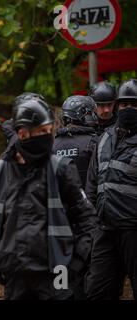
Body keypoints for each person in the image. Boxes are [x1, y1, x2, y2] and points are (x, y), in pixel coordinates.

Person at [0, 99, 96, 300]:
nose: (48, 137)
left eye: (49, 131)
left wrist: (74, 264)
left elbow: (87, 219)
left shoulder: (61, 170)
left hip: (57, 273)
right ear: (22, 134)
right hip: (15, 274)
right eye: (41, 131)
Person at [85, 79, 137, 300]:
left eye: (134, 105)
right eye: (124, 105)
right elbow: (92, 183)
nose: (128, 109)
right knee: (98, 292)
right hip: (105, 229)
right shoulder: (106, 137)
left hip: (134, 231)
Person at [53, 95, 98, 188]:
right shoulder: (94, 142)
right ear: (82, 115)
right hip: (87, 200)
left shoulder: (53, 143)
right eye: (90, 113)